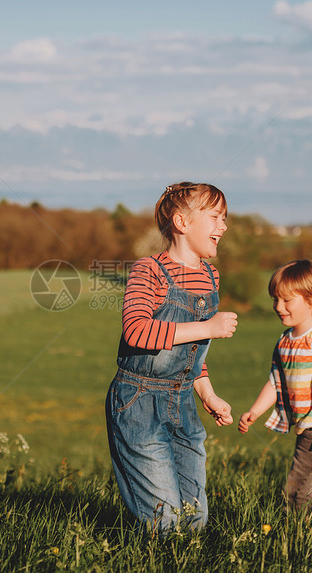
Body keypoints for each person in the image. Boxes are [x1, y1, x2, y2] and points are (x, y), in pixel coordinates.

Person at [105, 182, 238, 534]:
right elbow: (137, 331)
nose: (223, 226)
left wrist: (207, 393)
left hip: (182, 403)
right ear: (181, 223)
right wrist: (208, 326)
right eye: (215, 217)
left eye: (224, 218)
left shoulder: (210, 277)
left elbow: (191, 353)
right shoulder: (148, 271)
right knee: (164, 521)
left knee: (195, 519)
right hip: (139, 402)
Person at [238, 259, 312, 512]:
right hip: (306, 431)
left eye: (286, 300)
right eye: (275, 300)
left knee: (296, 491)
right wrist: (255, 411)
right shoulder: (285, 341)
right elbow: (276, 381)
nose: (278, 307)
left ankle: (296, 541)